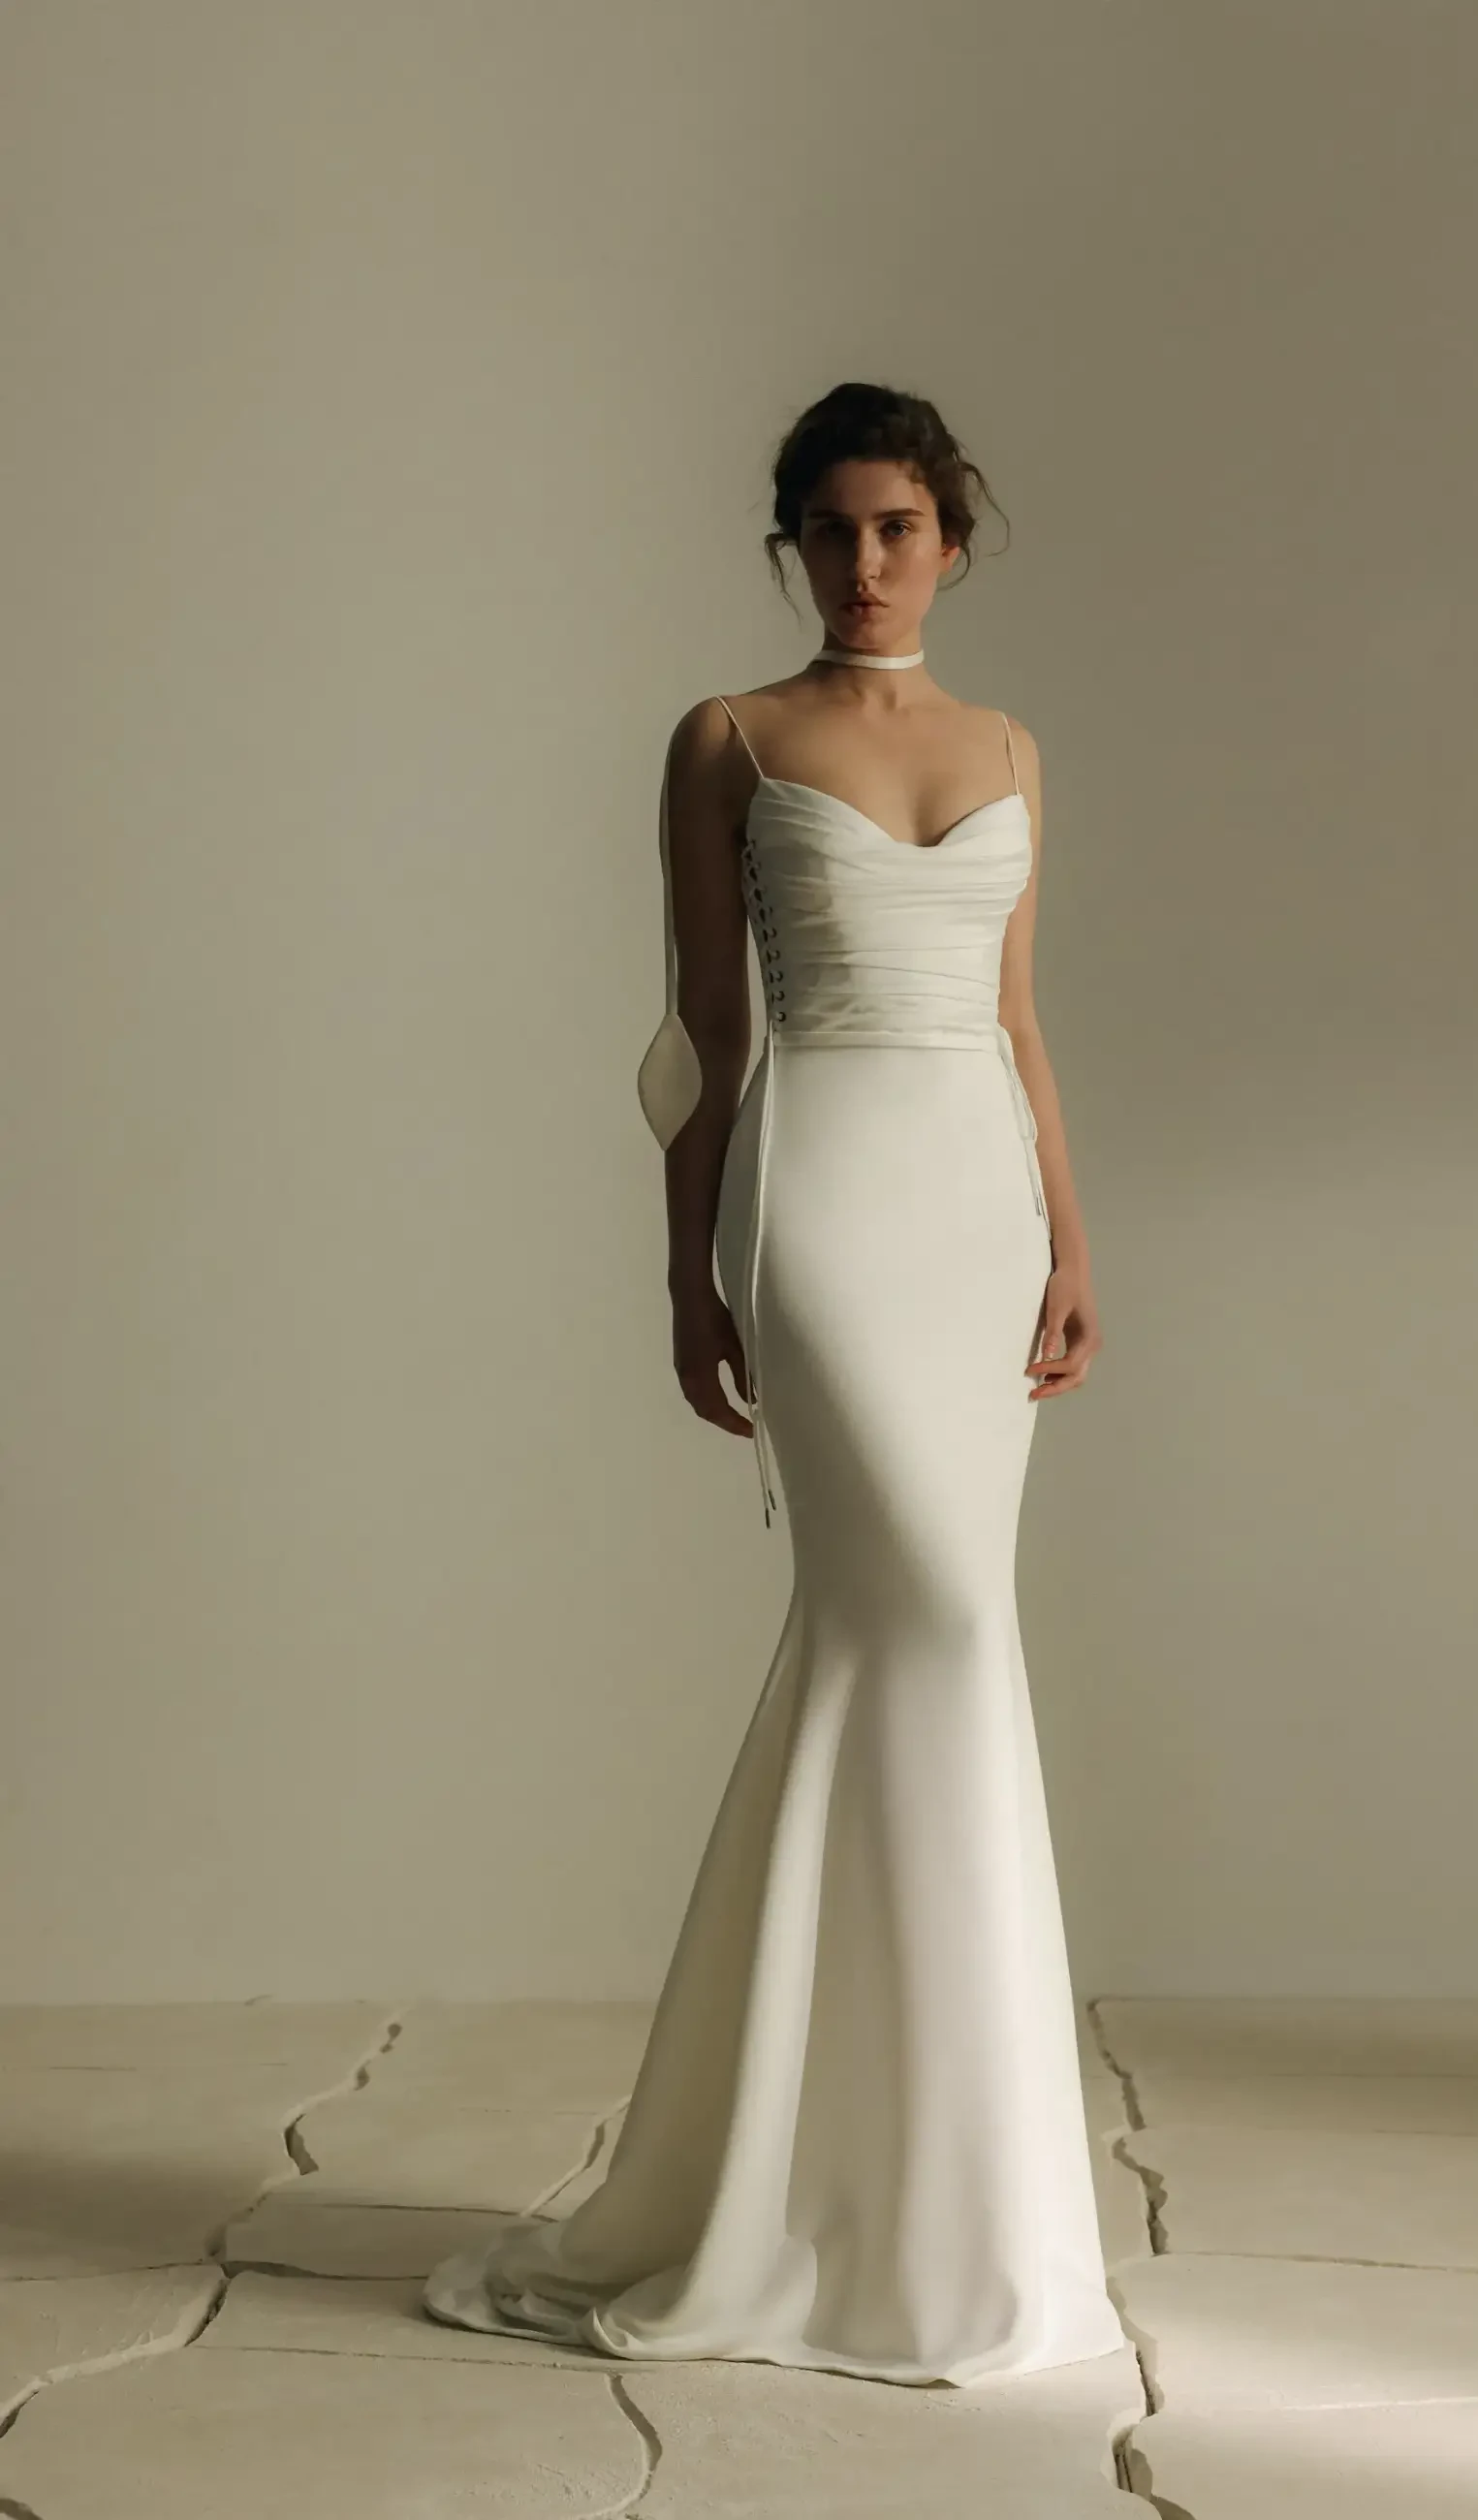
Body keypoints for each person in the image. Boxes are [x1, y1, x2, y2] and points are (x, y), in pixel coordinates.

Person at [423, 381, 1125, 2387]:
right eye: (827, 527)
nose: (864, 559)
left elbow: (1012, 1019)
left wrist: (1071, 1239)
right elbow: (698, 1042)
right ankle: (830, 2179)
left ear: (952, 537)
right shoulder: (726, 739)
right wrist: (686, 1266)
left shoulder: (1003, 749)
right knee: (913, 1613)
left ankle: (916, 2188)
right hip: (813, 1198)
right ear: (790, 544)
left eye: (896, 523)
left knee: (921, 1642)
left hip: (975, 1204)